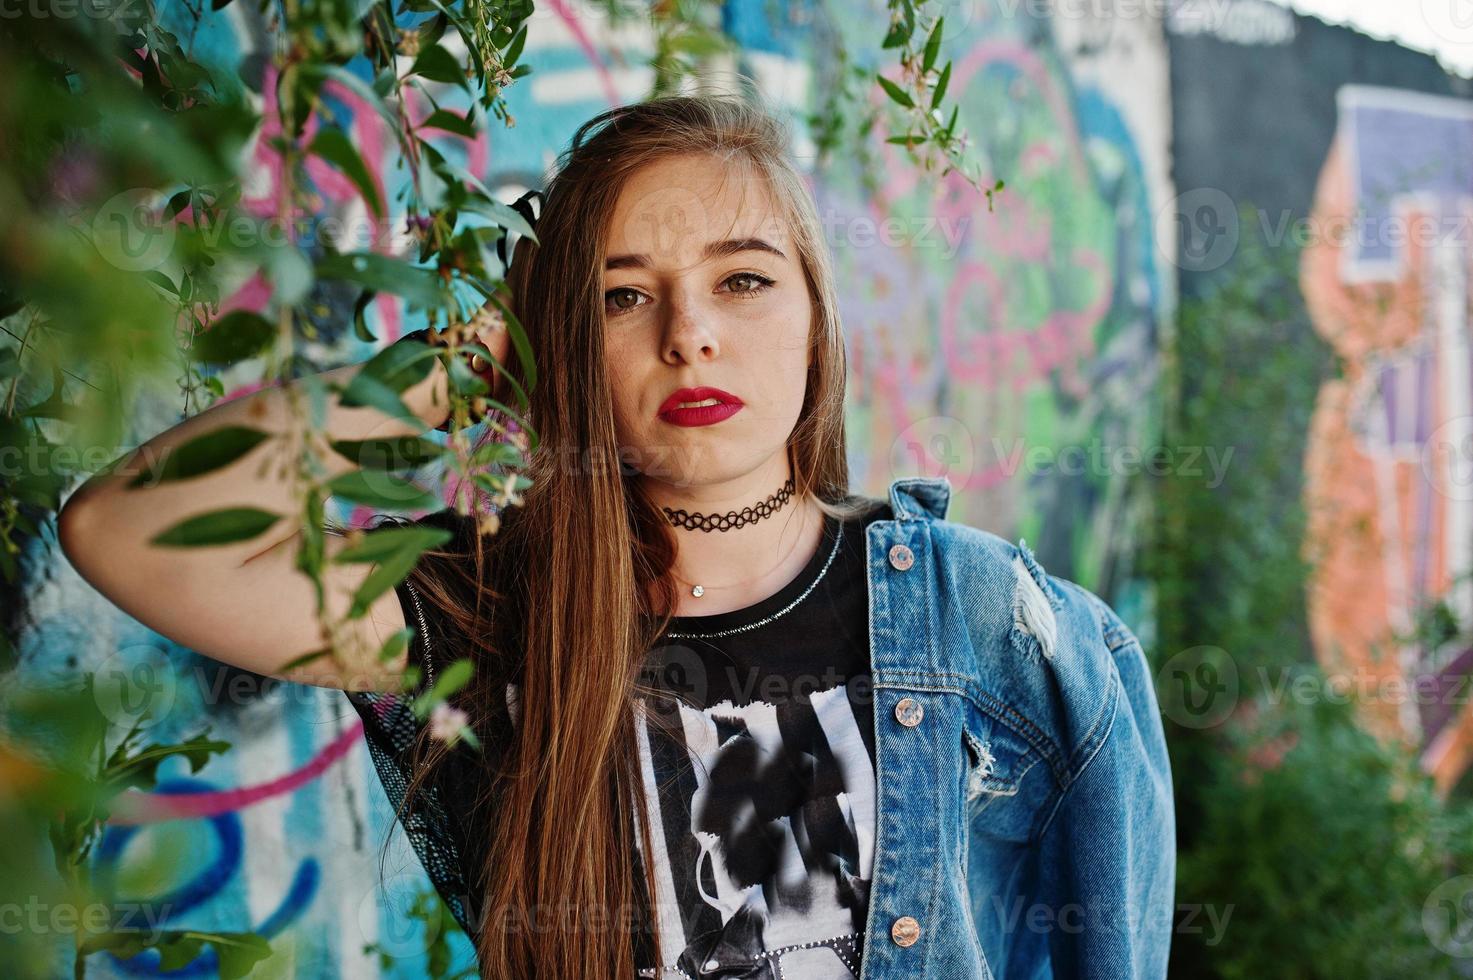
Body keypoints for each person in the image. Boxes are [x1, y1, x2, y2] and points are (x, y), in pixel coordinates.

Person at [57, 93, 1175, 980]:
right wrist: (446, 377)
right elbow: (121, 529)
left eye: (743, 280)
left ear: (815, 320)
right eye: (621, 297)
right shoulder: (488, 612)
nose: (690, 335)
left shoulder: (992, 619)